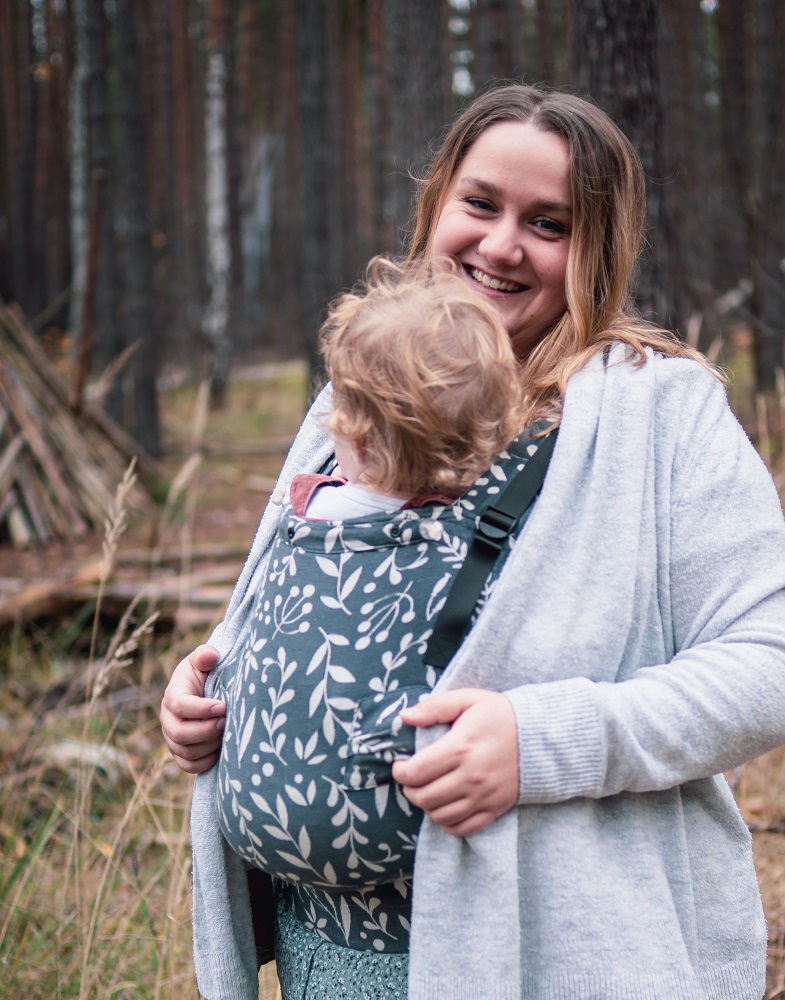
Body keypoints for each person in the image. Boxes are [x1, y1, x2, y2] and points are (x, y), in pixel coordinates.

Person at [162, 83, 785, 1000]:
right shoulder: (360, 389)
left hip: (550, 966)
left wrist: (540, 742)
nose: (500, 244)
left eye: (549, 222)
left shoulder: (658, 412)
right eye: (481, 204)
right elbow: (308, 591)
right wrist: (218, 677)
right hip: (323, 962)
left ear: (595, 247)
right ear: (437, 202)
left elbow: (767, 664)